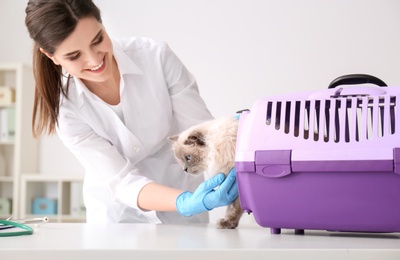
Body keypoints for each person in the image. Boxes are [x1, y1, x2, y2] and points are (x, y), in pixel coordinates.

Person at [24, 0, 238, 224]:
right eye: (74, 56)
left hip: (182, 209)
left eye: (98, 40)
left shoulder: (155, 57)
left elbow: (202, 133)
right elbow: (122, 180)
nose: (94, 60)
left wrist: (235, 144)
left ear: (103, 24)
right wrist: (186, 202)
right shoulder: (66, 110)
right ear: (52, 56)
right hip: (118, 216)